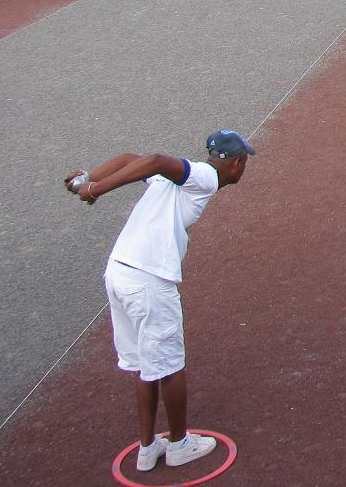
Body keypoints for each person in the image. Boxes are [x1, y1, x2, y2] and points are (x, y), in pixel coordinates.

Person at [64, 130, 254, 473]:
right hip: (149, 279)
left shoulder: (175, 180)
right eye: (245, 162)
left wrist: (86, 179)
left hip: (120, 271)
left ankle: (148, 448)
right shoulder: (206, 176)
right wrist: (94, 189)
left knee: (148, 366)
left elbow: (126, 159)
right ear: (237, 163)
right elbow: (152, 159)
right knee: (169, 363)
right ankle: (180, 445)